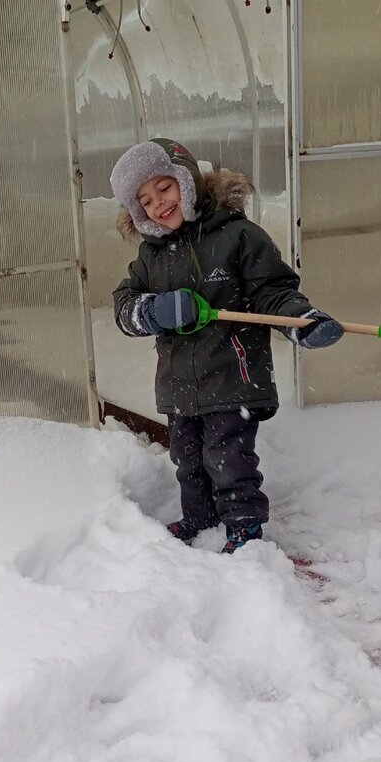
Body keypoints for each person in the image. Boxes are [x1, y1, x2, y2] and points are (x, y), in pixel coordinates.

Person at [110, 137, 344, 554]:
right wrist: (153, 311)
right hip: (179, 382)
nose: (159, 204)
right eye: (145, 201)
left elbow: (273, 292)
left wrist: (300, 322)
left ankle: (244, 529)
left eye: (164, 188)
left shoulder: (237, 236)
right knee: (188, 460)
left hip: (232, 375)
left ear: (186, 179)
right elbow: (125, 306)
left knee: (228, 460)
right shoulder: (150, 256)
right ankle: (199, 517)